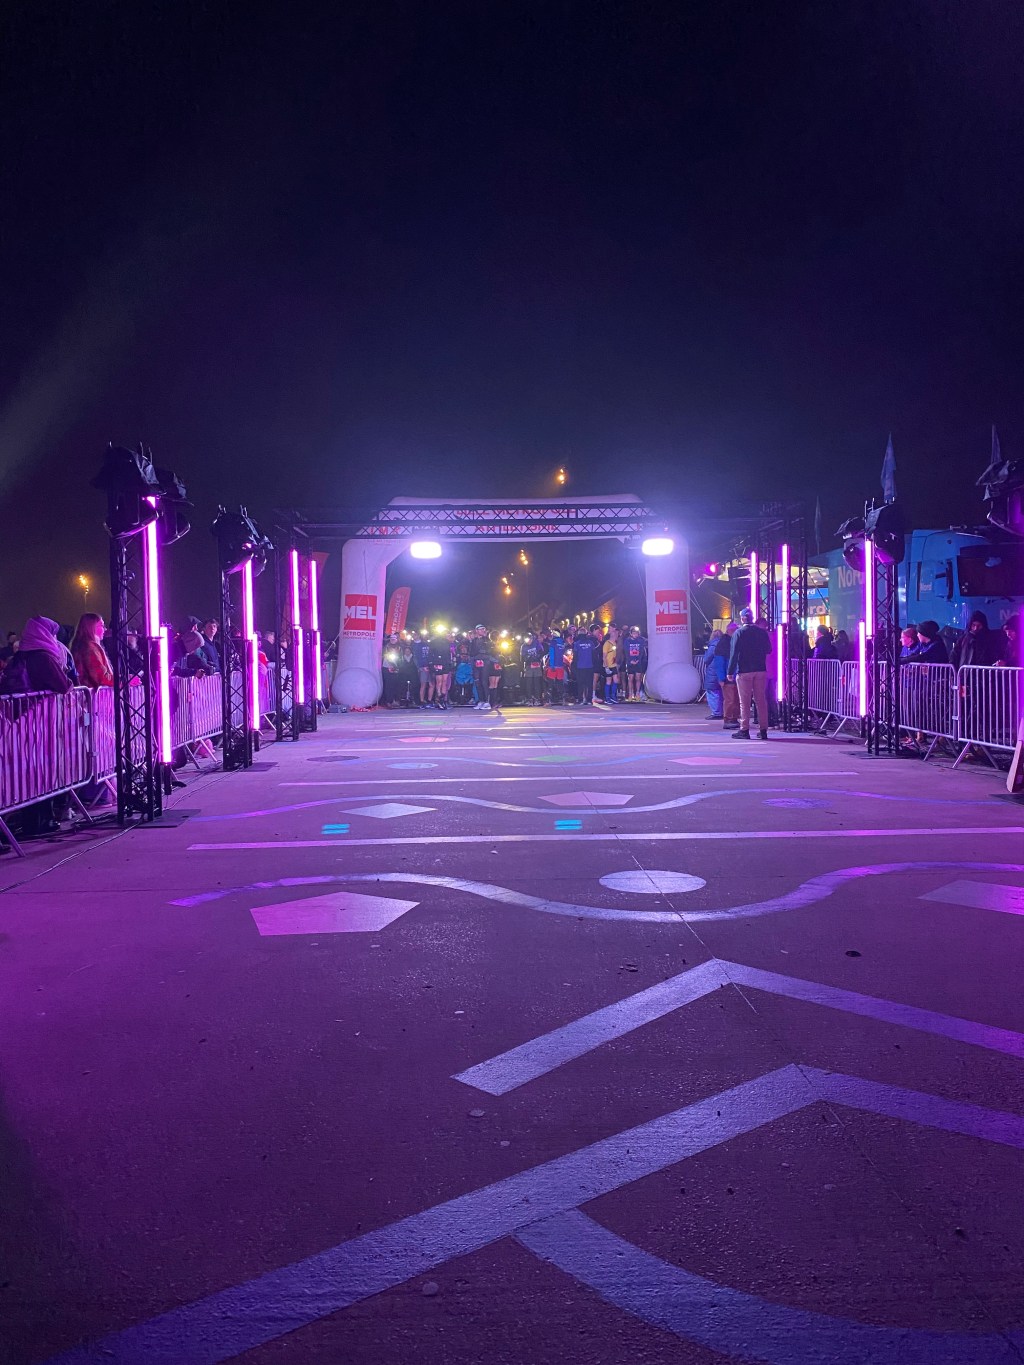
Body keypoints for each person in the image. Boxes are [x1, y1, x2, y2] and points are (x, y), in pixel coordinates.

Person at [0, 617, 74, 836]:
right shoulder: (42, 656)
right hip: (37, 723)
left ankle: (29, 820)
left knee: (24, 775)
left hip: (20, 721)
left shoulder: (20, 656)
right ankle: (40, 821)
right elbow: (62, 685)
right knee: (39, 774)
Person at [727, 607, 772, 740]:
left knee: (744, 702)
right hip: (760, 669)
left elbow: (734, 653)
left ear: (742, 618)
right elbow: (769, 649)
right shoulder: (762, 632)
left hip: (745, 670)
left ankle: (744, 730)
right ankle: (763, 730)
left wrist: (730, 671)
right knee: (761, 700)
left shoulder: (739, 633)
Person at [71, 613, 113, 688]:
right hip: (94, 697)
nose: (105, 629)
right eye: (102, 626)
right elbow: (102, 678)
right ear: (91, 627)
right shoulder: (91, 648)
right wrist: (123, 680)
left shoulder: (82, 646)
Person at [716, 622, 740, 729]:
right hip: (729, 677)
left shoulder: (727, 642)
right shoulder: (724, 643)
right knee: (730, 699)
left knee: (735, 699)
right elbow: (720, 662)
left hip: (734, 675)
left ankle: (733, 718)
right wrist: (721, 678)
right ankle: (729, 719)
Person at [572, 625, 599, 705]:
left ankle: (580, 699)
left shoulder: (576, 644)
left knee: (580, 683)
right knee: (589, 684)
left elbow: (575, 656)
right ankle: (589, 700)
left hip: (580, 666)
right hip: (589, 666)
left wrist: (574, 665)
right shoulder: (590, 643)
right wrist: (595, 664)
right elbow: (594, 655)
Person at [703, 630, 723, 719]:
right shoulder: (725, 644)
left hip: (713, 671)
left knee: (712, 691)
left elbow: (707, 659)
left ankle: (716, 713)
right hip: (722, 670)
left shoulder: (713, 645)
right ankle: (722, 711)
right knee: (721, 692)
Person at [470, 626, 492, 711]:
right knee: (477, 682)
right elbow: (471, 652)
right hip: (476, 662)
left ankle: (487, 701)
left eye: (484, 629)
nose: (483, 630)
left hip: (485, 662)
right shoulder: (474, 641)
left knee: (484, 681)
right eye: (481, 629)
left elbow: (490, 650)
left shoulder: (487, 640)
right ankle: (481, 701)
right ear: (476, 631)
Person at [623, 625, 647, 700]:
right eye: (633, 632)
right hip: (630, 663)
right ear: (631, 633)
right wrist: (630, 661)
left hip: (638, 663)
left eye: (636, 633)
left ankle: (637, 694)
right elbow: (626, 652)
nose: (635, 634)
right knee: (630, 678)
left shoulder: (641, 640)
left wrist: (638, 660)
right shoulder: (627, 641)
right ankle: (630, 694)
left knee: (638, 678)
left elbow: (641, 652)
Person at [520, 632, 545, 704]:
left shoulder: (536, 643)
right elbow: (522, 658)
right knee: (529, 683)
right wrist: (528, 659)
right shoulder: (523, 646)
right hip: (528, 666)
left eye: (530, 639)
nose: (529, 641)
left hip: (537, 665)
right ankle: (529, 698)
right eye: (527, 640)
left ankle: (537, 698)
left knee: (537, 682)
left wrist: (538, 658)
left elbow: (542, 651)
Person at [429, 634, 452, 710]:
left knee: (444, 682)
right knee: (439, 682)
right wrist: (431, 663)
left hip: (445, 663)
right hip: (437, 663)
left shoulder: (447, 642)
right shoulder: (433, 642)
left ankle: (443, 699)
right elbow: (430, 653)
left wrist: (450, 662)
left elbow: (449, 653)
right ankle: (439, 699)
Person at [601, 624, 621, 703]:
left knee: (616, 680)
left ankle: (613, 696)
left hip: (614, 665)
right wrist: (606, 667)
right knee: (608, 681)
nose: (616, 635)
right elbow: (604, 656)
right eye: (615, 634)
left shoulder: (615, 643)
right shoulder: (607, 643)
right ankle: (607, 698)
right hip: (608, 665)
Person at [546, 631, 566, 705]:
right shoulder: (562, 642)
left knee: (550, 683)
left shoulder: (553, 642)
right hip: (560, 665)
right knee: (560, 683)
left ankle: (549, 701)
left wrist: (551, 665)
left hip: (554, 666)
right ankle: (563, 700)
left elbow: (551, 654)